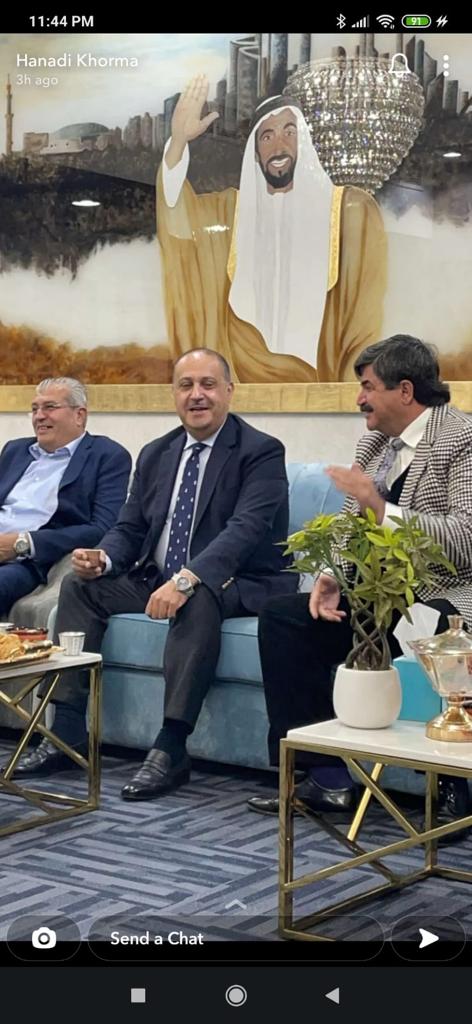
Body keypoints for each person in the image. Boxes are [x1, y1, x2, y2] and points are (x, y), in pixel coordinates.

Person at [12, 349, 298, 799]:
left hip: (240, 580)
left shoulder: (260, 451)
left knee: (198, 596)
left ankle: (171, 745)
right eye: (186, 385)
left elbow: (244, 531)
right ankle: (65, 730)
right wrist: (104, 558)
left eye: (207, 384)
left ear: (229, 391)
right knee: (80, 587)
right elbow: (130, 527)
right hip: (156, 575)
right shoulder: (157, 452)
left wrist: (186, 579)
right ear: (174, 394)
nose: (197, 395)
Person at [248, 334, 472, 820]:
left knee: (431, 628)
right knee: (286, 619)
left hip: (446, 597)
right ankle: (323, 777)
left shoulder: (461, 439)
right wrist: (331, 575)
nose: (359, 399)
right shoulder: (375, 443)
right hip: (377, 597)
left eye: (368, 387)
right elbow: (350, 523)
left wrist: (382, 509)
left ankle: (453, 785)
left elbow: (465, 538)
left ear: (405, 390)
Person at [157, 75, 386, 383]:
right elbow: (179, 221)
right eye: (267, 136)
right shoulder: (230, 212)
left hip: (321, 386)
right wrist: (178, 143)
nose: (279, 146)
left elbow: (363, 317)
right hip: (245, 385)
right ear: (255, 151)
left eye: (289, 132)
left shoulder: (347, 211)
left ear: (303, 141)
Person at [0, 377, 131, 617]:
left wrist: (23, 543)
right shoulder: (15, 450)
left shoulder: (107, 456)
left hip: (28, 561)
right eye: (34, 409)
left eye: (49, 407)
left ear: (79, 415)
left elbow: (103, 528)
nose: (39, 416)